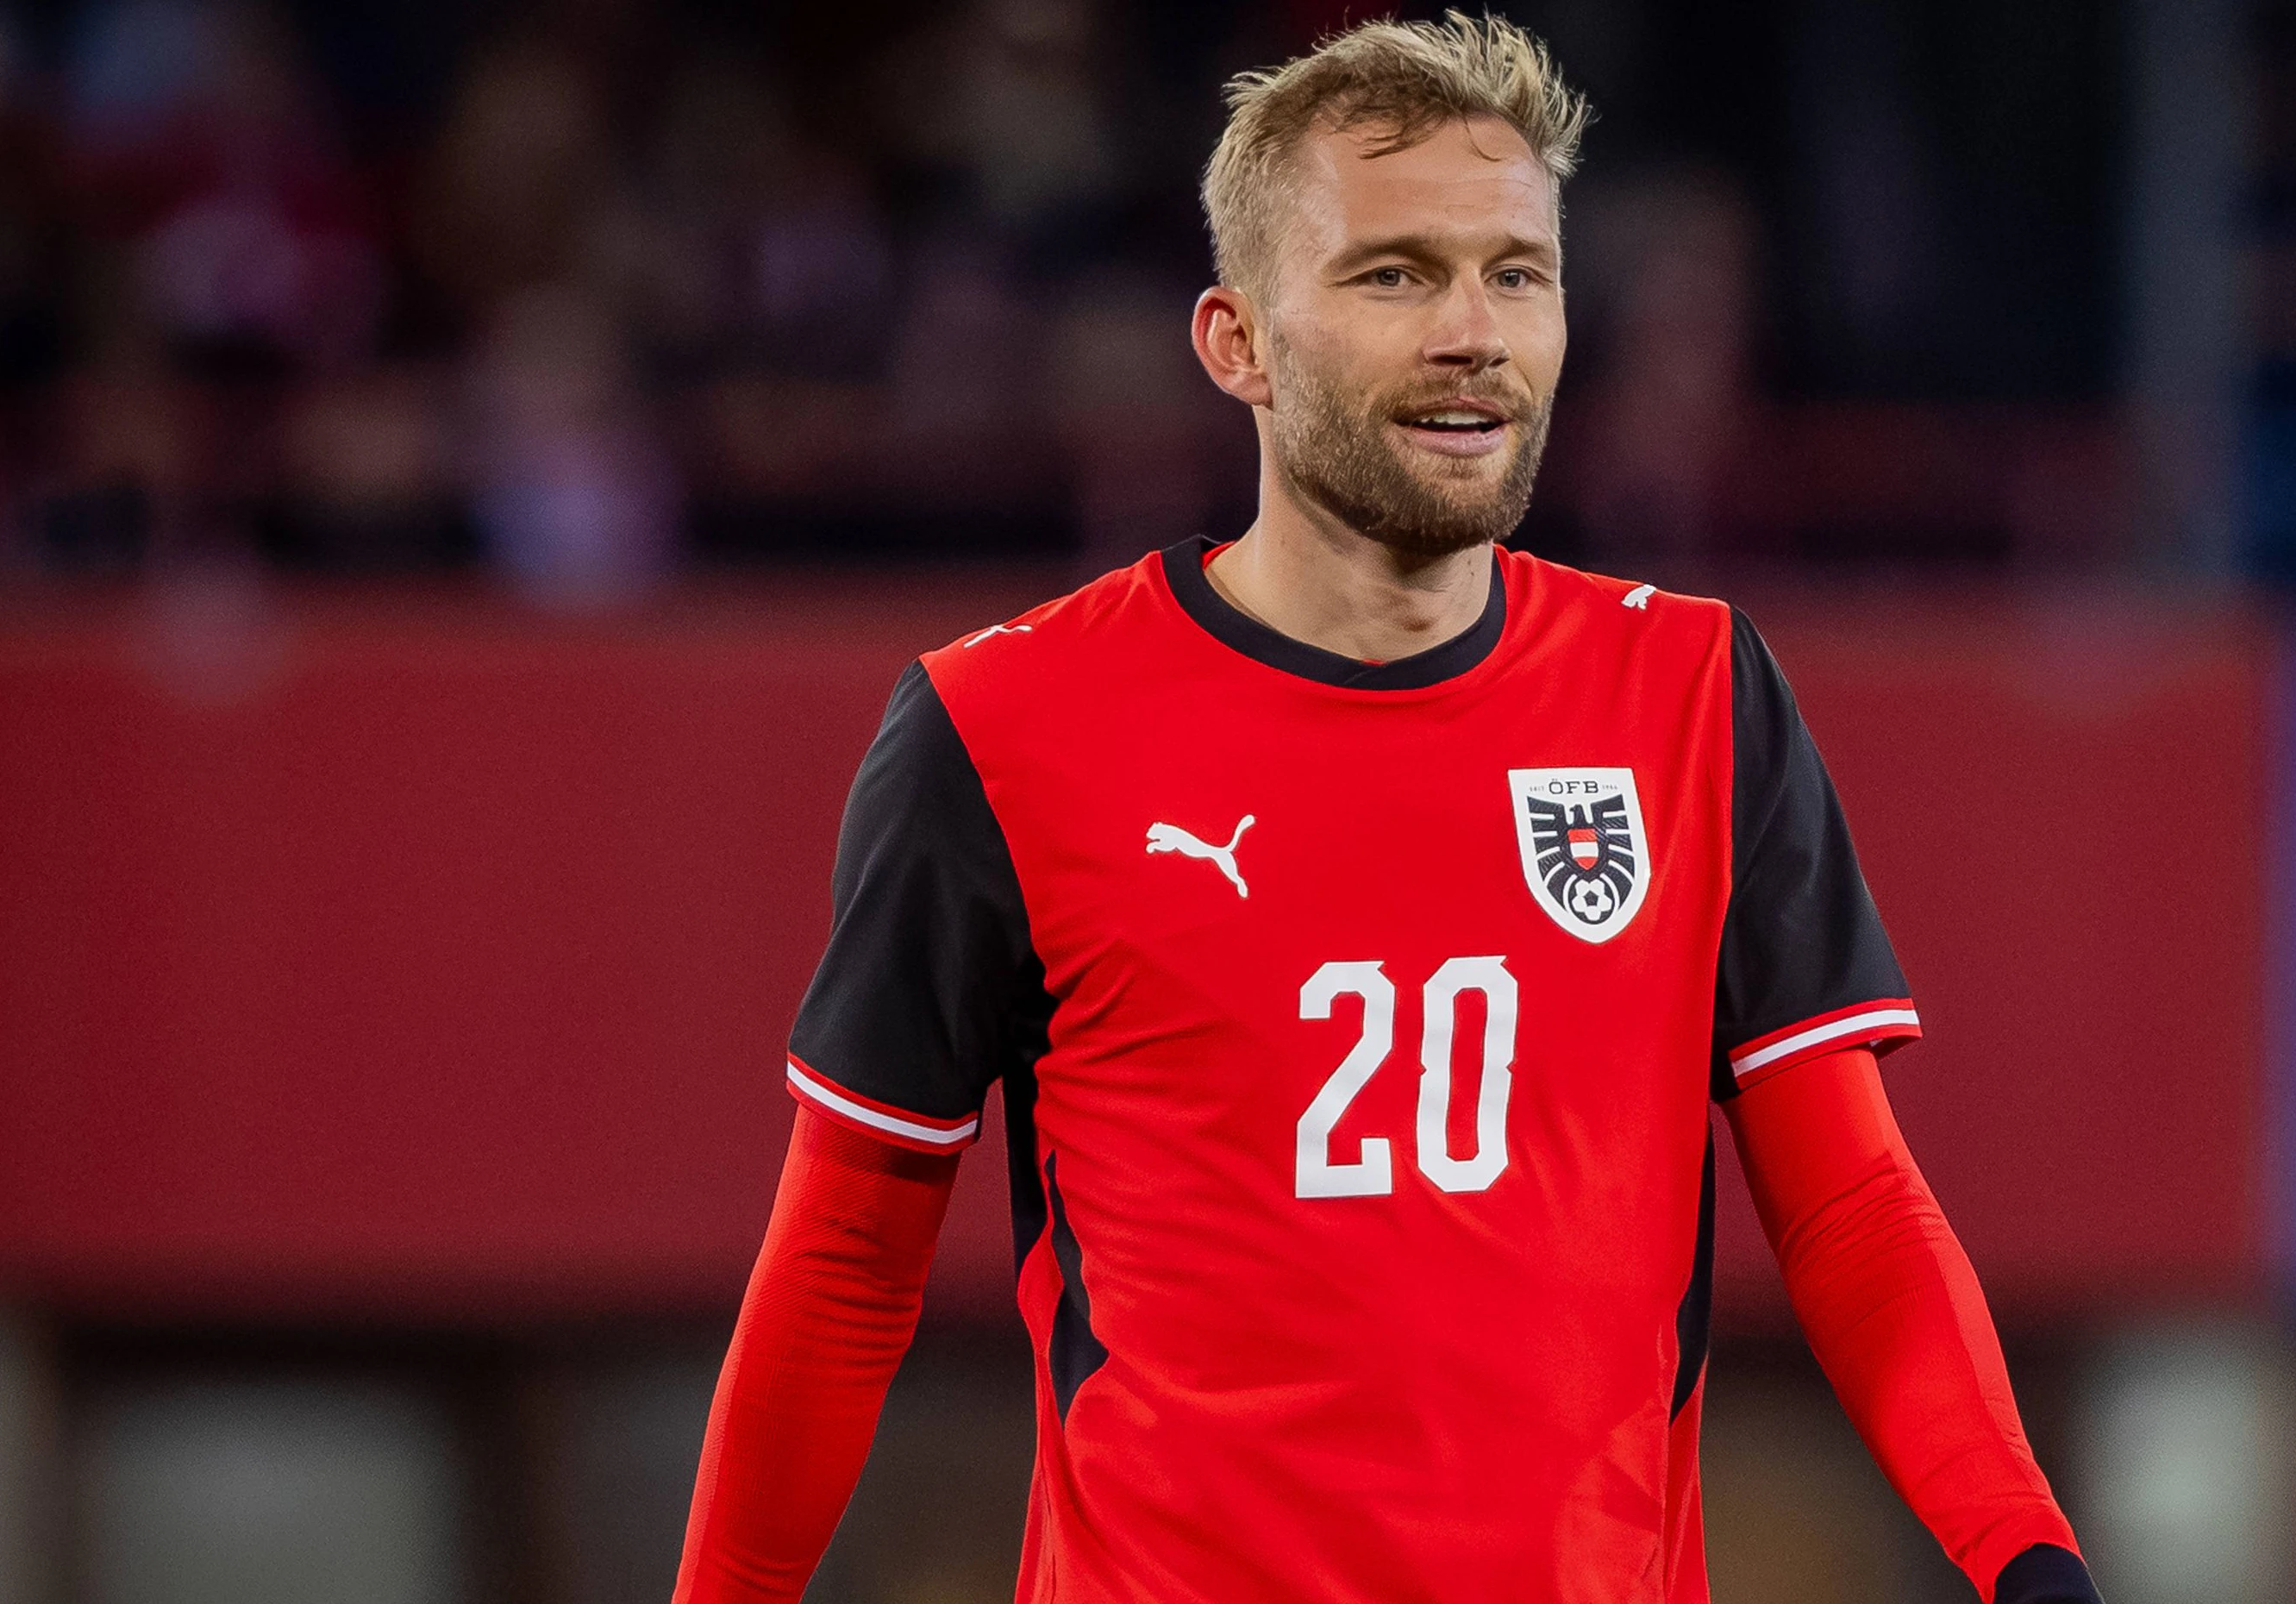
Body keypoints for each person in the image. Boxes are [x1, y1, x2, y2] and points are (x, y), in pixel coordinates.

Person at [673, 16, 2101, 1604]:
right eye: (1393, 274)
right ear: (1237, 344)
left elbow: (1850, 1209)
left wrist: (2023, 1554)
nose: (1473, 331)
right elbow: (843, 1267)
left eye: (1518, 272)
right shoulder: (998, 726)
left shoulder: (1694, 694)